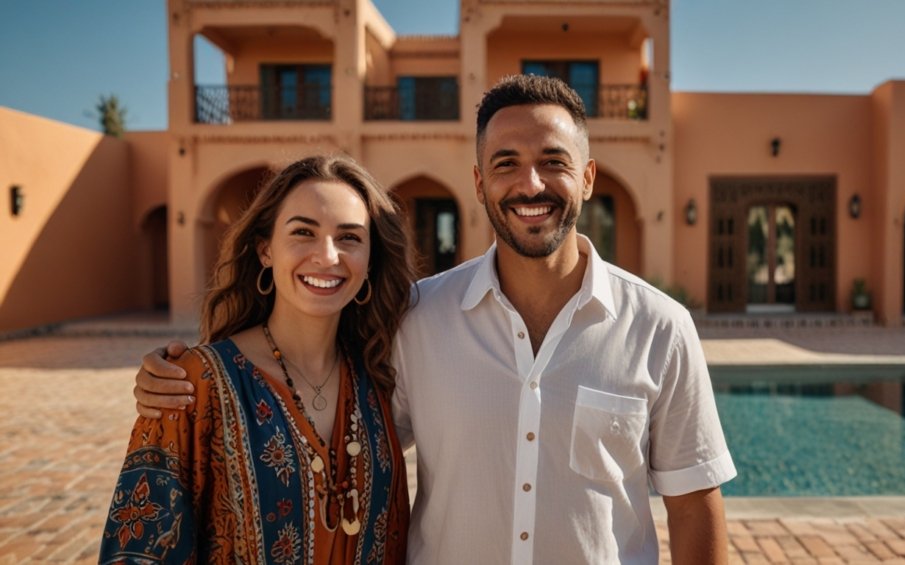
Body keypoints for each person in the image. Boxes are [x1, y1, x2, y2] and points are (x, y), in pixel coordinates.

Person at [133, 75, 737, 564]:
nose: (530, 183)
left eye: (553, 161)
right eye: (505, 164)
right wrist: (197, 375)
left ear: (587, 175)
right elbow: (328, 401)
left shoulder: (662, 328)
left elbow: (692, 506)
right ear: (478, 182)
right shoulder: (418, 318)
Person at [101, 155, 416, 563]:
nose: (327, 256)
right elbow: (137, 548)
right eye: (303, 232)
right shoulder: (195, 384)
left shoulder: (381, 375)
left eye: (349, 238)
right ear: (265, 250)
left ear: (370, 260)